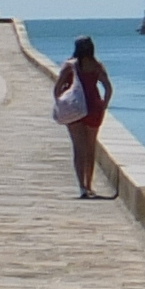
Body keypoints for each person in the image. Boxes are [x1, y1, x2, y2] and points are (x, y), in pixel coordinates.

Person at [53, 36, 112, 197]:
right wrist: (104, 105)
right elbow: (108, 88)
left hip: (75, 108)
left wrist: (60, 103)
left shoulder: (70, 66)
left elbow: (57, 88)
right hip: (93, 107)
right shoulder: (97, 66)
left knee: (78, 148)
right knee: (90, 148)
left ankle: (81, 187)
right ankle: (89, 185)